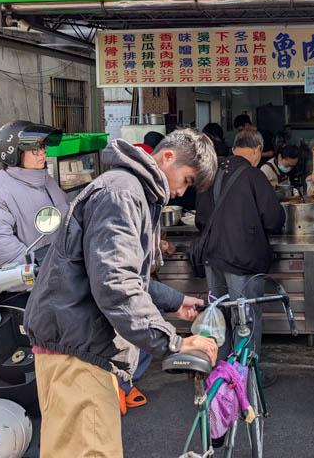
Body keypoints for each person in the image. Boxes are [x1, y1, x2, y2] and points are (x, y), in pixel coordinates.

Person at [24, 130, 218, 457]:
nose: (180, 191)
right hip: (77, 351)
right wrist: (174, 343)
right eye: (185, 180)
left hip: (77, 345)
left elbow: (124, 278)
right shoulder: (122, 194)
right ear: (168, 156)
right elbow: (116, 285)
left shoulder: (125, 189)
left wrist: (177, 300)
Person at [195, 128, 285, 384]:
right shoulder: (253, 175)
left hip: (212, 258)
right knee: (246, 318)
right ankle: (247, 377)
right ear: (257, 149)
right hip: (242, 261)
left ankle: (220, 374)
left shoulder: (210, 172)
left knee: (219, 314)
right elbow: (274, 218)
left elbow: (200, 217)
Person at [0, 121, 69, 275]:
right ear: (15, 153)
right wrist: (39, 265)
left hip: (60, 275)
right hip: (28, 287)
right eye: (35, 149)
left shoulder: (46, 181)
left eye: (43, 147)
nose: (43, 152)